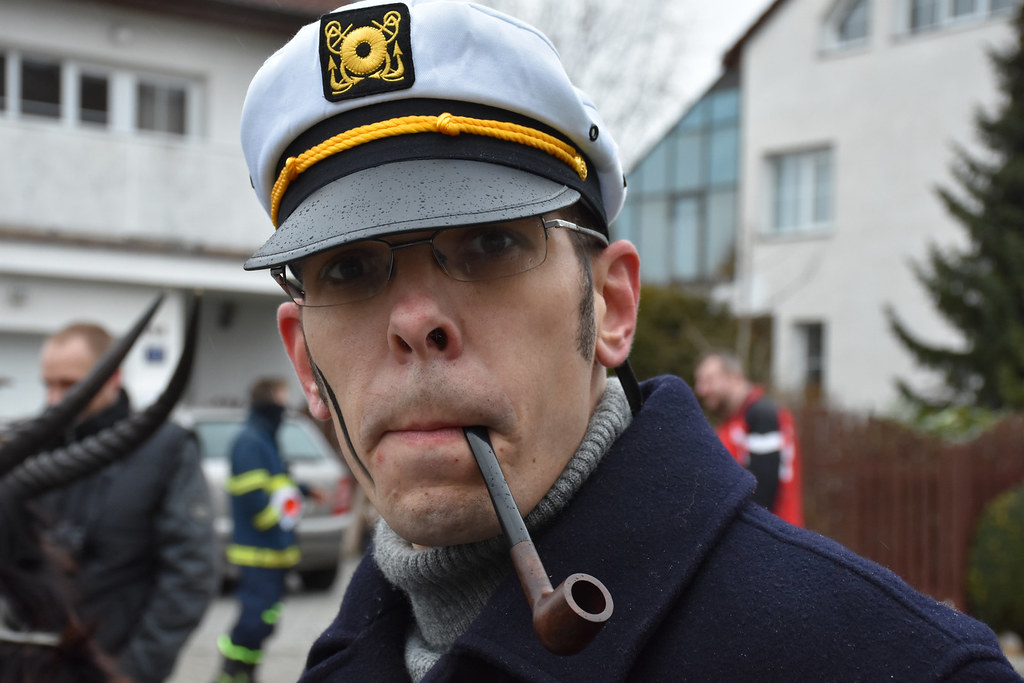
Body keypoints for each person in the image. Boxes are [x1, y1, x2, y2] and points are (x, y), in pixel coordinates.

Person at [237, 1, 1022, 679]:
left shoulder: (899, 663)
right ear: (305, 361)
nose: (414, 321)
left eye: (489, 244)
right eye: (349, 269)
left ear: (611, 306)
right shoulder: (343, 656)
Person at [37, 321, 217, 682]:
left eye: (70, 385)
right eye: (49, 385)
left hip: (114, 664)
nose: (55, 400)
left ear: (112, 378)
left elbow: (190, 573)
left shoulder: (165, 449)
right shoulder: (37, 446)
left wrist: (134, 671)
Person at [216, 377, 303, 682]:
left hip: (273, 551)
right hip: (258, 553)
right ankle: (230, 674)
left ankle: (247, 673)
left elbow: (278, 484)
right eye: (282, 398)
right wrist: (277, 522)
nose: (286, 406)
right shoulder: (250, 441)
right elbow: (254, 501)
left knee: (265, 620)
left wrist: (304, 490)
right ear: (269, 401)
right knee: (254, 620)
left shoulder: (266, 440)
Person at [694, 350, 805, 527]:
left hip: (771, 534)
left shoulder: (762, 415)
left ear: (734, 377)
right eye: (699, 382)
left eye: (709, 380)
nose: (701, 390)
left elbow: (762, 496)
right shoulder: (733, 420)